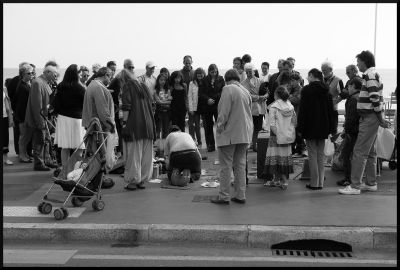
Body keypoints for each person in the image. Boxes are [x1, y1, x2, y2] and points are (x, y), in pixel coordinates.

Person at [339, 50, 390, 195]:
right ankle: (371, 182)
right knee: (371, 152)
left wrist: (380, 118)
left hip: (369, 117)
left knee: (359, 151)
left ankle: (355, 185)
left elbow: (374, 97)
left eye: (358, 62)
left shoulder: (370, 75)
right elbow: (375, 97)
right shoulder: (373, 74)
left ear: (364, 61)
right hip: (372, 117)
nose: (357, 64)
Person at [210, 69, 253, 205]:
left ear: (226, 79)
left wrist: (219, 128)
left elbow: (223, 112)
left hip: (229, 134)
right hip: (244, 133)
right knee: (240, 165)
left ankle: (224, 196)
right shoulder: (245, 91)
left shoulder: (228, 89)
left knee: (226, 166)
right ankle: (241, 195)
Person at [297, 68, 336, 190]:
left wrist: (300, 127)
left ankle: (314, 182)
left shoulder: (306, 90)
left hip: (310, 126)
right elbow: (332, 111)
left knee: (312, 155)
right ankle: (320, 183)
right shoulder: (327, 91)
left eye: (308, 76)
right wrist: (332, 128)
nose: (307, 79)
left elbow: (302, 111)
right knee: (320, 155)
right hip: (324, 126)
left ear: (312, 76)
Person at [120, 69, 156, 191]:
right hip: (148, 124)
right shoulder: (144, 86)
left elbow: (126, 107)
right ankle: (142, 180)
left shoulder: (127, 87)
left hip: (135, 124)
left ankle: (133, 181)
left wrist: (124, 123)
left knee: (134, 155)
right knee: (146, 155)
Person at [53, 64, 86, 178]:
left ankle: (65, 170)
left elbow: (56, 104)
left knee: (65, 147)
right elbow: (85, 105)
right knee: (79, 147)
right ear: (76, 74)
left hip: (63, 118)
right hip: (77, 119)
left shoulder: (61, 86)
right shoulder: (80, 88)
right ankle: (74, 170)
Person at [24, 63, 59, 171]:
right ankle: (39, 163)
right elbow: (36, 104)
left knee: (47, 140)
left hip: (45, 117)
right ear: (47, 73)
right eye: (54, 75)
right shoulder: (37, 83)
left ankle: (47, 160)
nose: (56, 77)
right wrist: (40, 121)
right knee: (39, 141)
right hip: (40, 117)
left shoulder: (45, 82)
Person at [264, 86, 296, 189]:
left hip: (276, 136)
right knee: (283, 158)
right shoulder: (290, 105)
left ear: (276, 95)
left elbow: (272, 124)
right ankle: (277, 180)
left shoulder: (274, 107)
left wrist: (278, 135)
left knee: (276, 158)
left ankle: (283, 181)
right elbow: (294, 122)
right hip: (287, 136)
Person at [336, 77, 362, 187]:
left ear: (354, 87)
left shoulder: (352, 99)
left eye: (349, 86)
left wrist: (346, 130)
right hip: (358, 130)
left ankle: (348, 179)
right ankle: (352, 178)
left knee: (346, 155)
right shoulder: (360, 97)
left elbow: (351, 118)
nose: (347, 88)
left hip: (352, 132)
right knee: (352, 155)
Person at [108, 58, 135, 157]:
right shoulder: (118, 79)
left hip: (126, 109)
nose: (132, 69)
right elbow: (109, 93)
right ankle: (121, 153)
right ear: (124, 67)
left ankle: (123, 153)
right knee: (121, 132)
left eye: (133, 67)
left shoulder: (130, 79)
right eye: (130, 67)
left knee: (125, 132)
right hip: (118, 110)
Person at [198, 64, 225, 152]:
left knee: (220, 124)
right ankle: (211, 145)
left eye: (215, 72)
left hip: (218, 104)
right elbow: (201, 93)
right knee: (208, 126)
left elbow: (223, 90)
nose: (214, 73)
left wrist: (215, 97)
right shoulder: (205, 80)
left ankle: (222, 143)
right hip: (207, 106)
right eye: (212, 72)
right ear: (209, 72)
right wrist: (208, 99)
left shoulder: (221, 79)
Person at [241, 63, 267, 152]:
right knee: (248, 127)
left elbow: (267, 92)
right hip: (249, 108)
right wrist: (259, 97)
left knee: (258, 127)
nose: (248, 74)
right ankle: (249, 144)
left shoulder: (260, 81)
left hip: (260, 108)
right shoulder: (243, 83)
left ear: (254, 71)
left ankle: (255, 144)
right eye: (247, 72)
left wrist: (265, 96)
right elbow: (247, 95)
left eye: (250, 72)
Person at [7, 61, 29, 156]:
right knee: (20, 134)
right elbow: (10, 96)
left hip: (18, 110)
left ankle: (22, 152)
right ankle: (20, 152)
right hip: (19, 111)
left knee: (21, 134)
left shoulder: (24, 82)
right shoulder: (17, 82)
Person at [14, 63, 35, 163]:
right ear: (23, 74)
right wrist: (24, 119)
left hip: (26, 116)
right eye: (29, 73)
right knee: (23, 138)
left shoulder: (27, 84)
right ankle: (22, 156)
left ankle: (25, 154)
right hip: (23, 117)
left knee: (26, 137)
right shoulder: (22, 87)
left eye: (32, 73)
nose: (31, 75)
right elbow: (21, 105)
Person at [321, 60, 344, 134]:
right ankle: (325, 146)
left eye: (324, 70)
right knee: (322, 132)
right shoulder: (320, 80)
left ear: (330, 70)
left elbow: (343, 94)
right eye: (322, 70)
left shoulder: (338, 80)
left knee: (334, 132)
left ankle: (338, 145)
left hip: (332, 110)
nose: (323, 72)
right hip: (321, 110)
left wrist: (334, 102)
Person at [188, 67, 206, 147]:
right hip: (195, 107)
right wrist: (190, 108)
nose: (200, 76)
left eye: (201, 75)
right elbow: (189, 96)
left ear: (203, 75)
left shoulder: (206, 82)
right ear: (196, 75)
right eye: (198, 75)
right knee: (193, 125)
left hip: (203, 106)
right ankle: (195, 141)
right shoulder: (192, 83)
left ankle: (202, 142)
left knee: (203, 126)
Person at [154, 73, 172, 140]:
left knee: (165, 130)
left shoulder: (168, 90)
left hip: (167, 112)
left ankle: (164, 147)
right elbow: (158, 102)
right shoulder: (156, 90)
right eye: (161, 80)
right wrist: (166, 101)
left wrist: (162, 101)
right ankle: (158, 147)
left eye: (164, 80)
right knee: (158, 129)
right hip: (159, 111)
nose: (163, 81)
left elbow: (170, 102)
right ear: (158, 80)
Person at [3, 80, 14, 165]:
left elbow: (8, 105)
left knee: (5, 138)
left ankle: (5, 158)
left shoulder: (4, 89)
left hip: (4, 116)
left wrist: (10, 118)